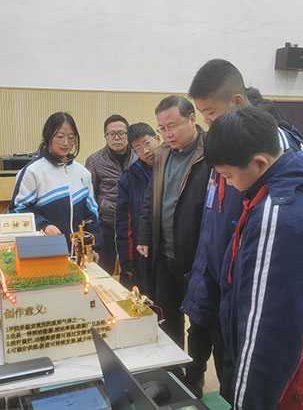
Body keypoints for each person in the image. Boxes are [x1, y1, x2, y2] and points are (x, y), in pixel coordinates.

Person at [205, 106, 303, 409]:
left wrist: (247, 402)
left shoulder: (280, 214)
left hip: (298, 389)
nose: (230, 184)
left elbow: (267, 330)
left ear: (259, 162)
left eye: (228, 175)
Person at [180, 59, 303, 397]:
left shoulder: (276, 147)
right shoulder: (225, 141)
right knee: (226, 372)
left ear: (237, 102)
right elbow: (214, 220)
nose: (206, 121)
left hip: (248, 289)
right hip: (220, 282)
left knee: (243, 378)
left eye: (210, 112)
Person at [136, 95, 210, 397]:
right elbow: (150, 199)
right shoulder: (163, 154)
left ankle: (195, 375)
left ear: (192, 119)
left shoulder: (210, 153)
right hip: (163, 252)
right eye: (162, 129)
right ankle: (173, 373)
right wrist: (143, 236)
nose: (167, 134)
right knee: (167, 317)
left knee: (200, 323)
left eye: (173, 126)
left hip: (197, 257)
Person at [9, 112, 102, 254]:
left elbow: (92, 213)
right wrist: (44, 226)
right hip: (45, 251)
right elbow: (17, 210)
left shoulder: (83, 173)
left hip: (79, 253)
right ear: (48, 137)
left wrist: (94, 247)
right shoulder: (32, 172)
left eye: (71, 137)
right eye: (60, 137)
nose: (66, 142)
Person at [86, 115, 137, 274]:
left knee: (132, 272)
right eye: (112, 134)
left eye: (121, 133)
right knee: (103, 271)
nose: (117, 137)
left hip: (133, 226)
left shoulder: (138, 157)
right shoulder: (94, 161)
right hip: (106, 226)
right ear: (105, 136)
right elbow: (90, 196)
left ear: (128, 135)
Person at [115, 122, 160, 294]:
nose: (145, 151)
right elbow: (123, 223)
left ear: (157, 138)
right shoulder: (130, 178)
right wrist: (126, 261)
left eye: (147, 143)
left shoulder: (173, 167)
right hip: (143, 251)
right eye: (138, 149)